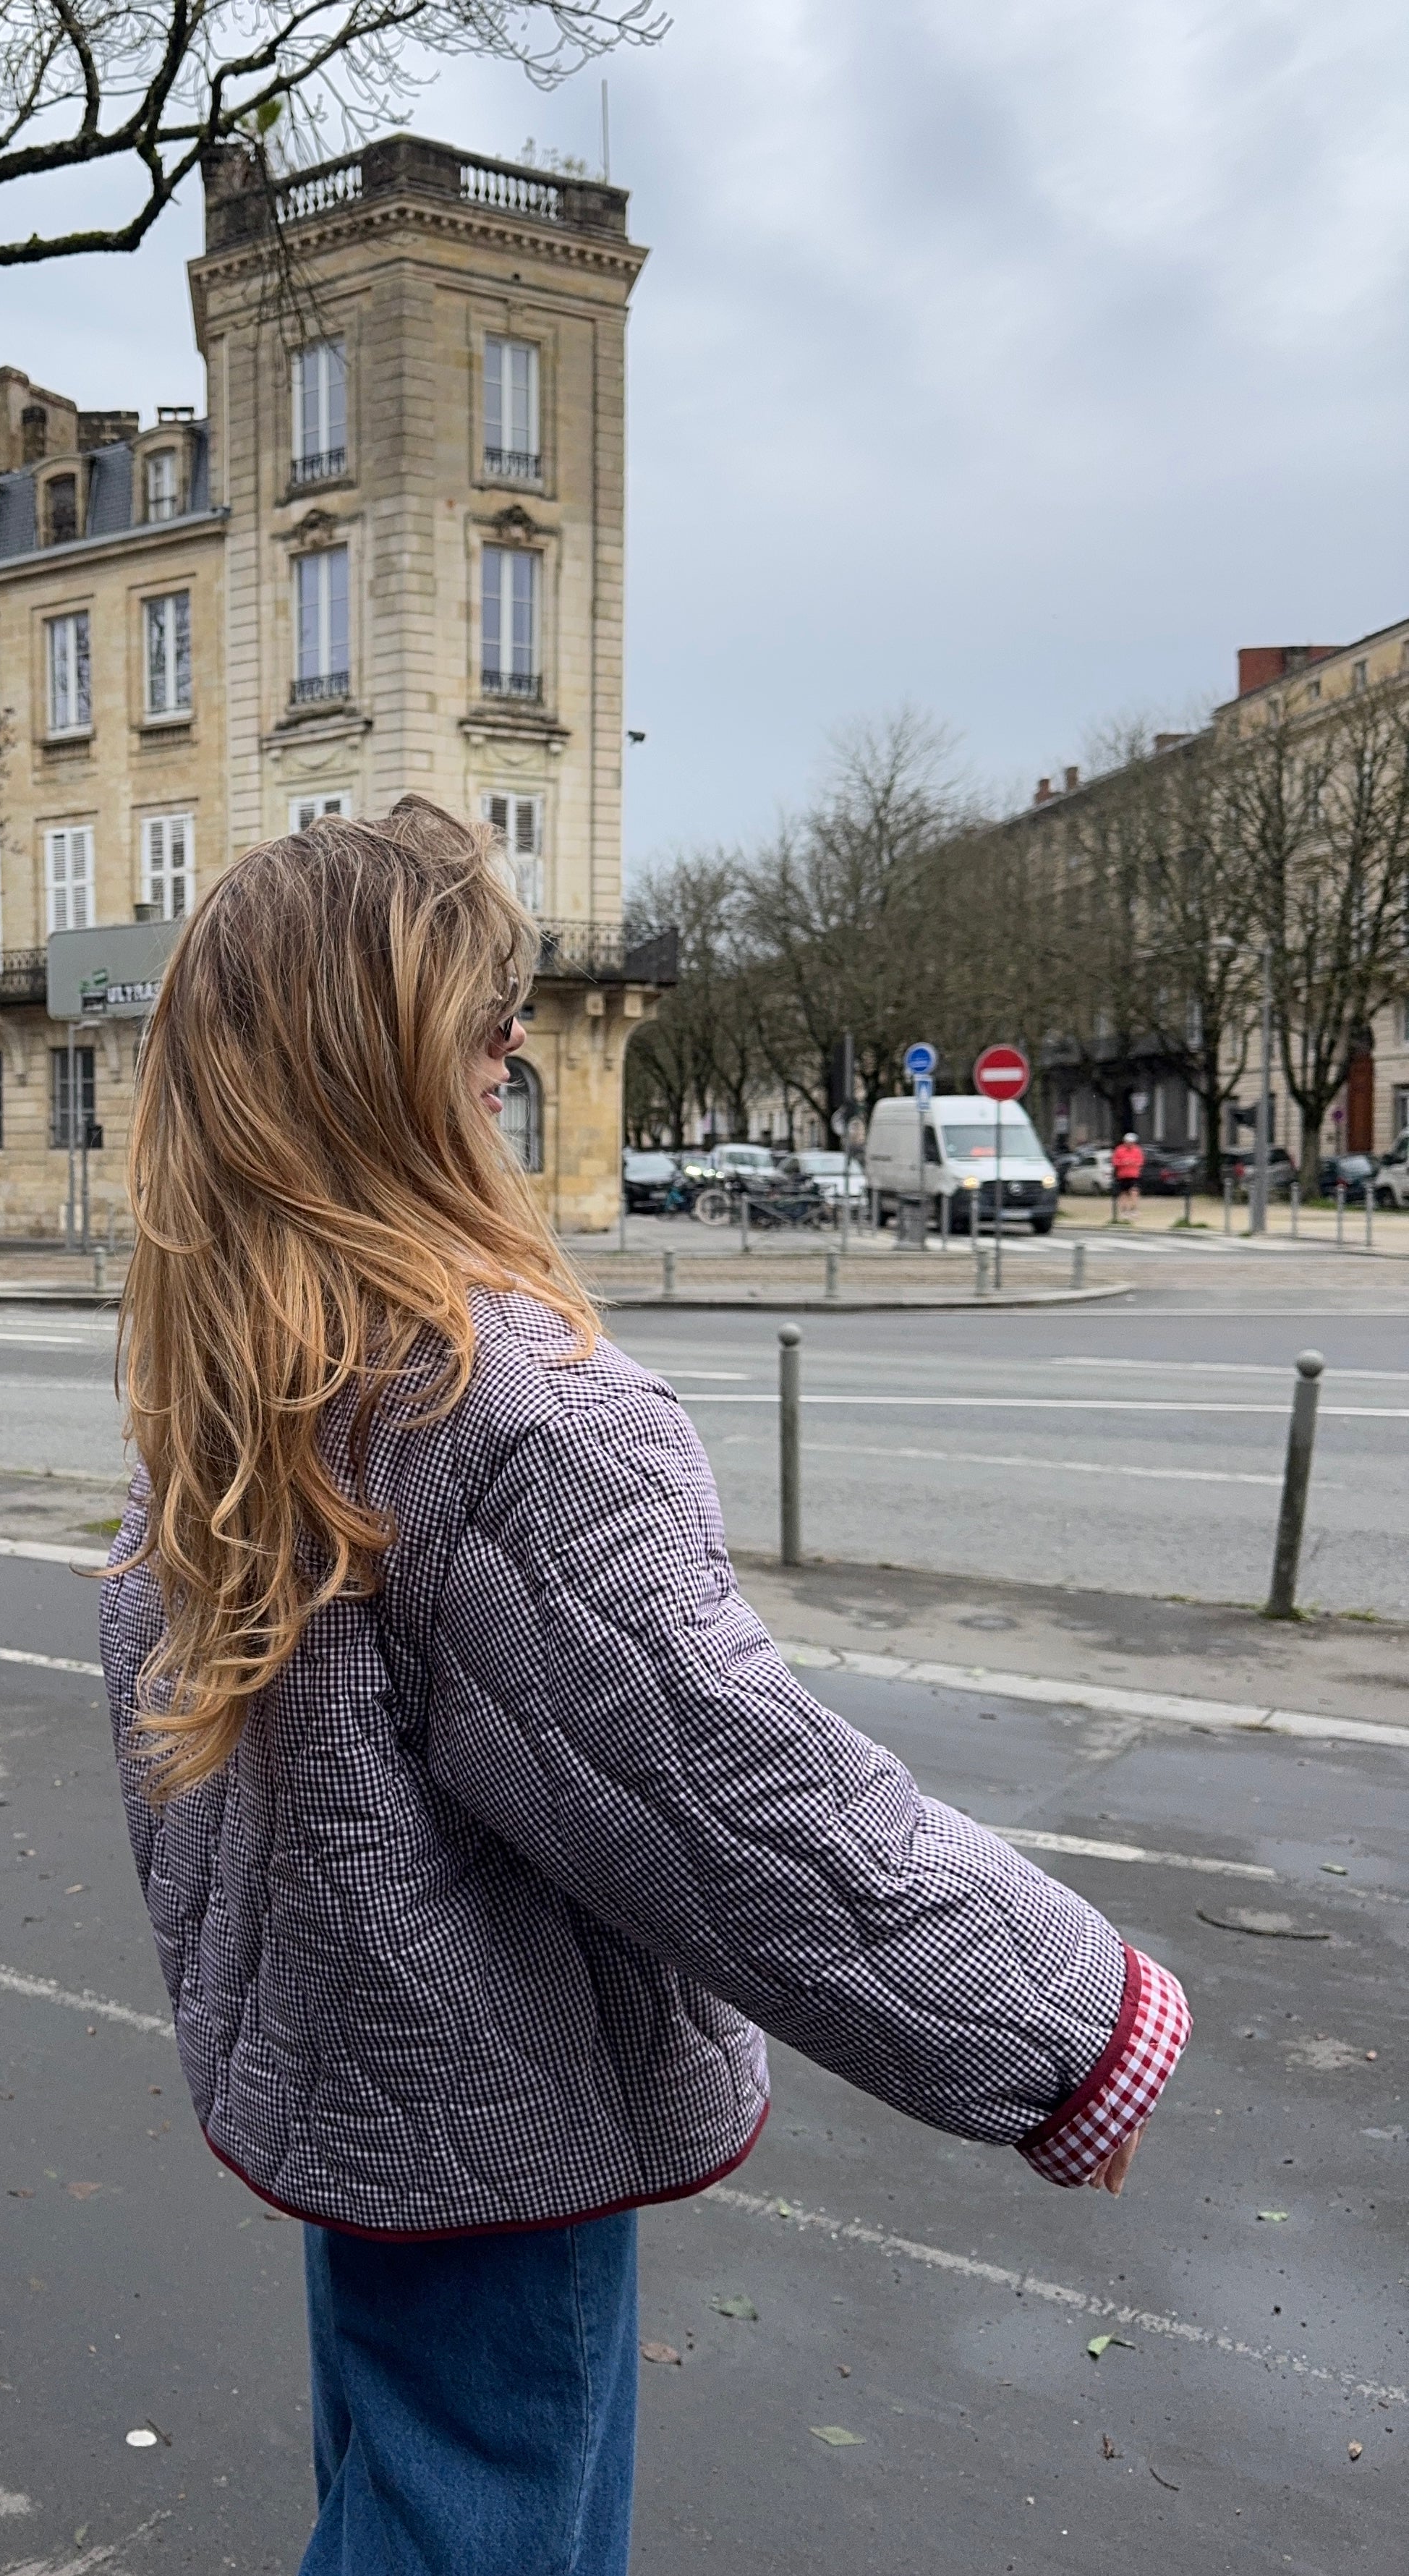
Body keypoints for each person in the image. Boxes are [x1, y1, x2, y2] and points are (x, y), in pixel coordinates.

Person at [103, 800, 1188, 2576]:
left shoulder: (238, 1379)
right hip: (495, 2110)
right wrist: (1072, 2026)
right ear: (396, 1066)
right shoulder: (500, 1409)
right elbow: (727, 1786)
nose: (513, 1058)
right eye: (484, 1027)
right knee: (477, 2531)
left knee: (392, 2486)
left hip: (356, 2094)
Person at [1112, 1129, 1145, 1220]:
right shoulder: (1119, 1150)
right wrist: (1123, 1163)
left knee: (1134, 1192)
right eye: (1128, 1142)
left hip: (1134, 1175)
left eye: (1132, 1142)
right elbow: (1115, 1161)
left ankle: (1134, 1210)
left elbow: (1141, 1161)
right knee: (1124, 1194)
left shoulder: (1137, 1150)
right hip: (1123, 1175)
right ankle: (1124, 1211)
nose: (1130, 1144)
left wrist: (1133, 1162)